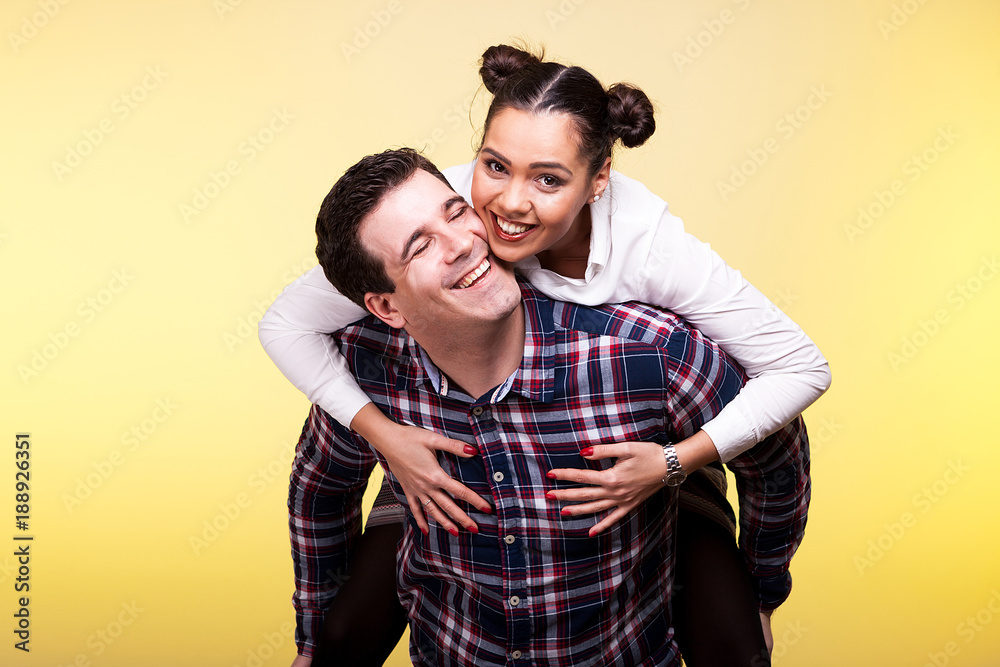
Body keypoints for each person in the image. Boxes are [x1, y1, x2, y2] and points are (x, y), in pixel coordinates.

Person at [263, 44, 829, 665]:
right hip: (440, 460)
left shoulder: (651, 293)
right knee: (338, 642)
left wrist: (677, 465)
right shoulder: (436, 212)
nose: (505, 208)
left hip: (653, 457)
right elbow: (287, 328)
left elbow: (796, 383)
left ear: (598, 180)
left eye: (550, 179)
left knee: (735, 646)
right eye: (494, 168)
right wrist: (385, 434)